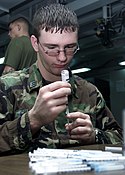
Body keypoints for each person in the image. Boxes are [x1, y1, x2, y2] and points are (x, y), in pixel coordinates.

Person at [0, 3, 122, 154]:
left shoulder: (88, 91)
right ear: (35, 43)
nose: (62, 57)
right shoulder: (8, 87)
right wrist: (32, 121)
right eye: (51, 48)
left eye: (70, 47)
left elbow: (119, 137)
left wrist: (94, 135)